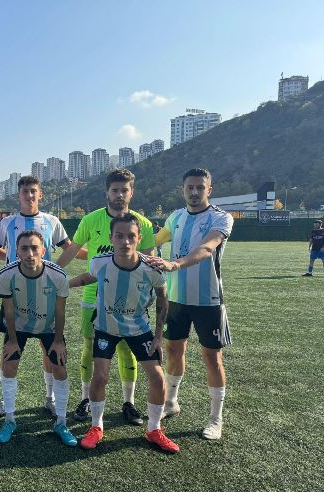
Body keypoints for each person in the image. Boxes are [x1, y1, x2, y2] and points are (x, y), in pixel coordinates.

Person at [0, 175, 80, 417]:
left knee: (48, 350)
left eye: (33, 191)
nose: (29, 195)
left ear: (40, 194)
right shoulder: (7, 222)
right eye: (25, 191)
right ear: (18, 195)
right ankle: (5, 399)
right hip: (14, 295)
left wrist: (103, 254)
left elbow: (71, 249)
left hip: (46, 295)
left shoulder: (52, 221)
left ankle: (50, 398)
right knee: (9, 349)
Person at [70, 214, 179, 453]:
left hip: (139, 329)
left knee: (157, 377)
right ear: (111, 238)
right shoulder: (99, 262)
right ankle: (96, 426)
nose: (125, 241)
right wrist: (65, 284)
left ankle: (154, 429)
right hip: (106, 328)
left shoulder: (152, 267)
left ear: (139, 239)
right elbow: (89, 277)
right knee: (100, 377)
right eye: (119, 236)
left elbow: (163, 298)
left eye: (131, 236)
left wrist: (158, 336)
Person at [56, 168, 155, 427]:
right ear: (107, 193)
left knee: (126, 349)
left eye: (124, 190)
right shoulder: (91, 220)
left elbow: (149, 262)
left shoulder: (143, 224)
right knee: (90, 348)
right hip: (94, 298)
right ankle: (86, 398)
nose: (119, 195)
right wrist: (52, 273)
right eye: (115, 190)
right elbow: (71, 251)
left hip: (130, 301)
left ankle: (128, 402)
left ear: (131, 193)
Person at [149, 168, 234, 440]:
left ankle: (215, 418)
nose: (195, 192)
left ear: (210, 189)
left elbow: (207, 248)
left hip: (208, 300)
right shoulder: (175, 217)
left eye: (200, 187)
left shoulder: (221, 218)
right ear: (183, 190)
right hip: (176, 298)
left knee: (212, 357)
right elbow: (153, 240)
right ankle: (171, 402)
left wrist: (175, 264)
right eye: (190, 187)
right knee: (174, 351)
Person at [0, 230, 77, 446]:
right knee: (9, 366)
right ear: (17, 252)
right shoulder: (6, 275)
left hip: (49, 327)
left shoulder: (58, 275)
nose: (30, 253)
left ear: (44, 250)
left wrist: (58, 341)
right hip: (19, 326)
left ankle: (61, 422)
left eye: (34, 248)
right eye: (24, 248)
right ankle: (9, 420)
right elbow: (8, 310)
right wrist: (12, 340)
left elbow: (60, 311)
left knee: (60, 368)